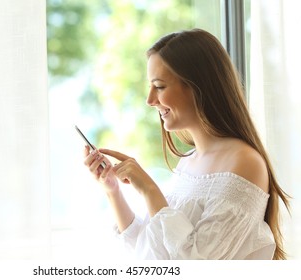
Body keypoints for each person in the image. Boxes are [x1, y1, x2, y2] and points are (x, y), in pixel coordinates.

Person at [82, 28, 290, 260]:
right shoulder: (188, 162)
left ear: (199, 86)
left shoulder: (244, 163)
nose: (150, 100)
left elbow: (194, 265)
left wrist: (150, 190)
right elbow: (152, 251)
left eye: (159, 86)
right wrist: (113, 191)